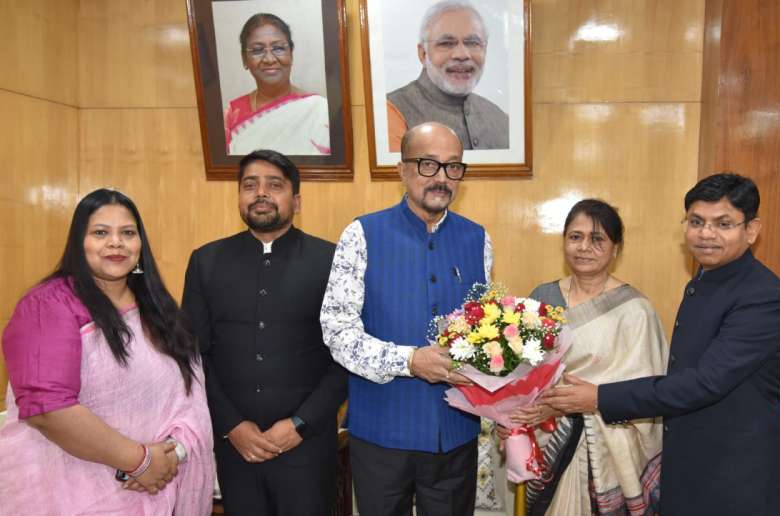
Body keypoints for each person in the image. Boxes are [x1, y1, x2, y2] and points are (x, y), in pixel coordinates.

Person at [543, 174, 780, 516]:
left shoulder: (763, 298)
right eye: (696, 221)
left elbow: (705, 382)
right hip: (688, 468)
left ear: (751, 230)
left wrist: (599, 397)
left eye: (723, 224)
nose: (706, 234)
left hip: (735, 478)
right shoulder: (704, 281)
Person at [0, 189, 214, 515]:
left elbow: (189, 398)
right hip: (63, 495)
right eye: (101, 233)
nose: (116, 243)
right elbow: (47, 410)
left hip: (155, 487)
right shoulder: (48, 306)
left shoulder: (158, 309)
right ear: (79, 243)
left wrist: (173, 454)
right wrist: (140, 461)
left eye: (127, 233)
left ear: (140, 245)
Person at [321, 122, 493, 515]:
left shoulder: (478, 239)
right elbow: (337, 332)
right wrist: (410, 361)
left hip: (455, 434)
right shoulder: (361, 234)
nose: (442, 178)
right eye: (428, 164)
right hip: (381, 434)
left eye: (453, 166)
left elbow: (482, 332)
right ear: (401, 169)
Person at [182, 149, 347, 515]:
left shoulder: (333, 261)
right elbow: (192, 355)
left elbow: (347, 357)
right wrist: (232, 426)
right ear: (238, 197)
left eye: (274, 185)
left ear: (296, 201)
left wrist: (301, 424)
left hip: (308, 447)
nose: (261, 193)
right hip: (236, 449)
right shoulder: (206, 262)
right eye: (250, 185)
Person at [497, 199, 667, 515]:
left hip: (607, 447)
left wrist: (573, 403)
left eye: (597, 238)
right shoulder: (542, 298)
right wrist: (511, 419)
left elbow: (647, 393)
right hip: (545, 438)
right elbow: (519, 375)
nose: (584, 247)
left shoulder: (635, 311)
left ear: (616, 249)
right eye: (576, 237)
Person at [387, 0, 509, 152]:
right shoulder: (392, 112)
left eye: (472, 43)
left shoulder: (501, 119)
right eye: (446, 43)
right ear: (423, 54)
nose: (462, 54)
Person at [225, 13, 330, 156]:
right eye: (257, 50)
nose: (269, 59)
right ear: (244, 59)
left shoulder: (320, 110)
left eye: (278, 48)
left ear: (291, 54)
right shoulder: (232, 115)